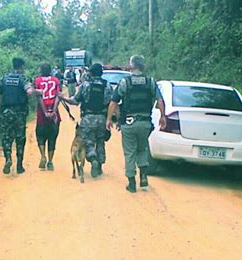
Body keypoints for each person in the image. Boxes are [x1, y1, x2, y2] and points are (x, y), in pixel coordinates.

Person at [106, 55, 166, 193]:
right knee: (142, 149)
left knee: (129, 152)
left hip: (129, 123)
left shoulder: (124, 83)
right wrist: (163, 116)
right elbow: (160, 100)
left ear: (132, 66)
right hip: (145, 123)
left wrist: (109, 119)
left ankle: (132, 183)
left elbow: (114, 102)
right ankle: (143, 177)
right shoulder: (150, 82)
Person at [60, 63, 113, 178]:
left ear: (90, 73)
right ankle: (99, 165)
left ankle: (92, 158)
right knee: (100, 141)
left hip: (87, 118)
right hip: (102, 118)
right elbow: (111, 104)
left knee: (88, 141)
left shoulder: (85, 85)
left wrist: (62, 98)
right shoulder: (107, 86)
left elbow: (75, 101)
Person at [0, 57, 36, 175]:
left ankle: (8, 159)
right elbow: (29, 92)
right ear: (22, 67)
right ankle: (19, 165)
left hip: (6, 112)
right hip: (19, 112)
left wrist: (1, 110)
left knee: (7, 137)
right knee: (20, 138)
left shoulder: (4, 78)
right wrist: (32, 91)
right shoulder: (22, 79)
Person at [34, 63, 61, 171]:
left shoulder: (37, 80)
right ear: (50, 70)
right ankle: (50, 161)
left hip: (42, 112)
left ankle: (42, 156)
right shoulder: (55, 80)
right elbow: (58, 96)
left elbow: (39, 97)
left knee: (40, 135)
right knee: (52, 137)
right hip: (54, 113)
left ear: (41, 70)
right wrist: (53, 110)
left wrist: (45, 111)